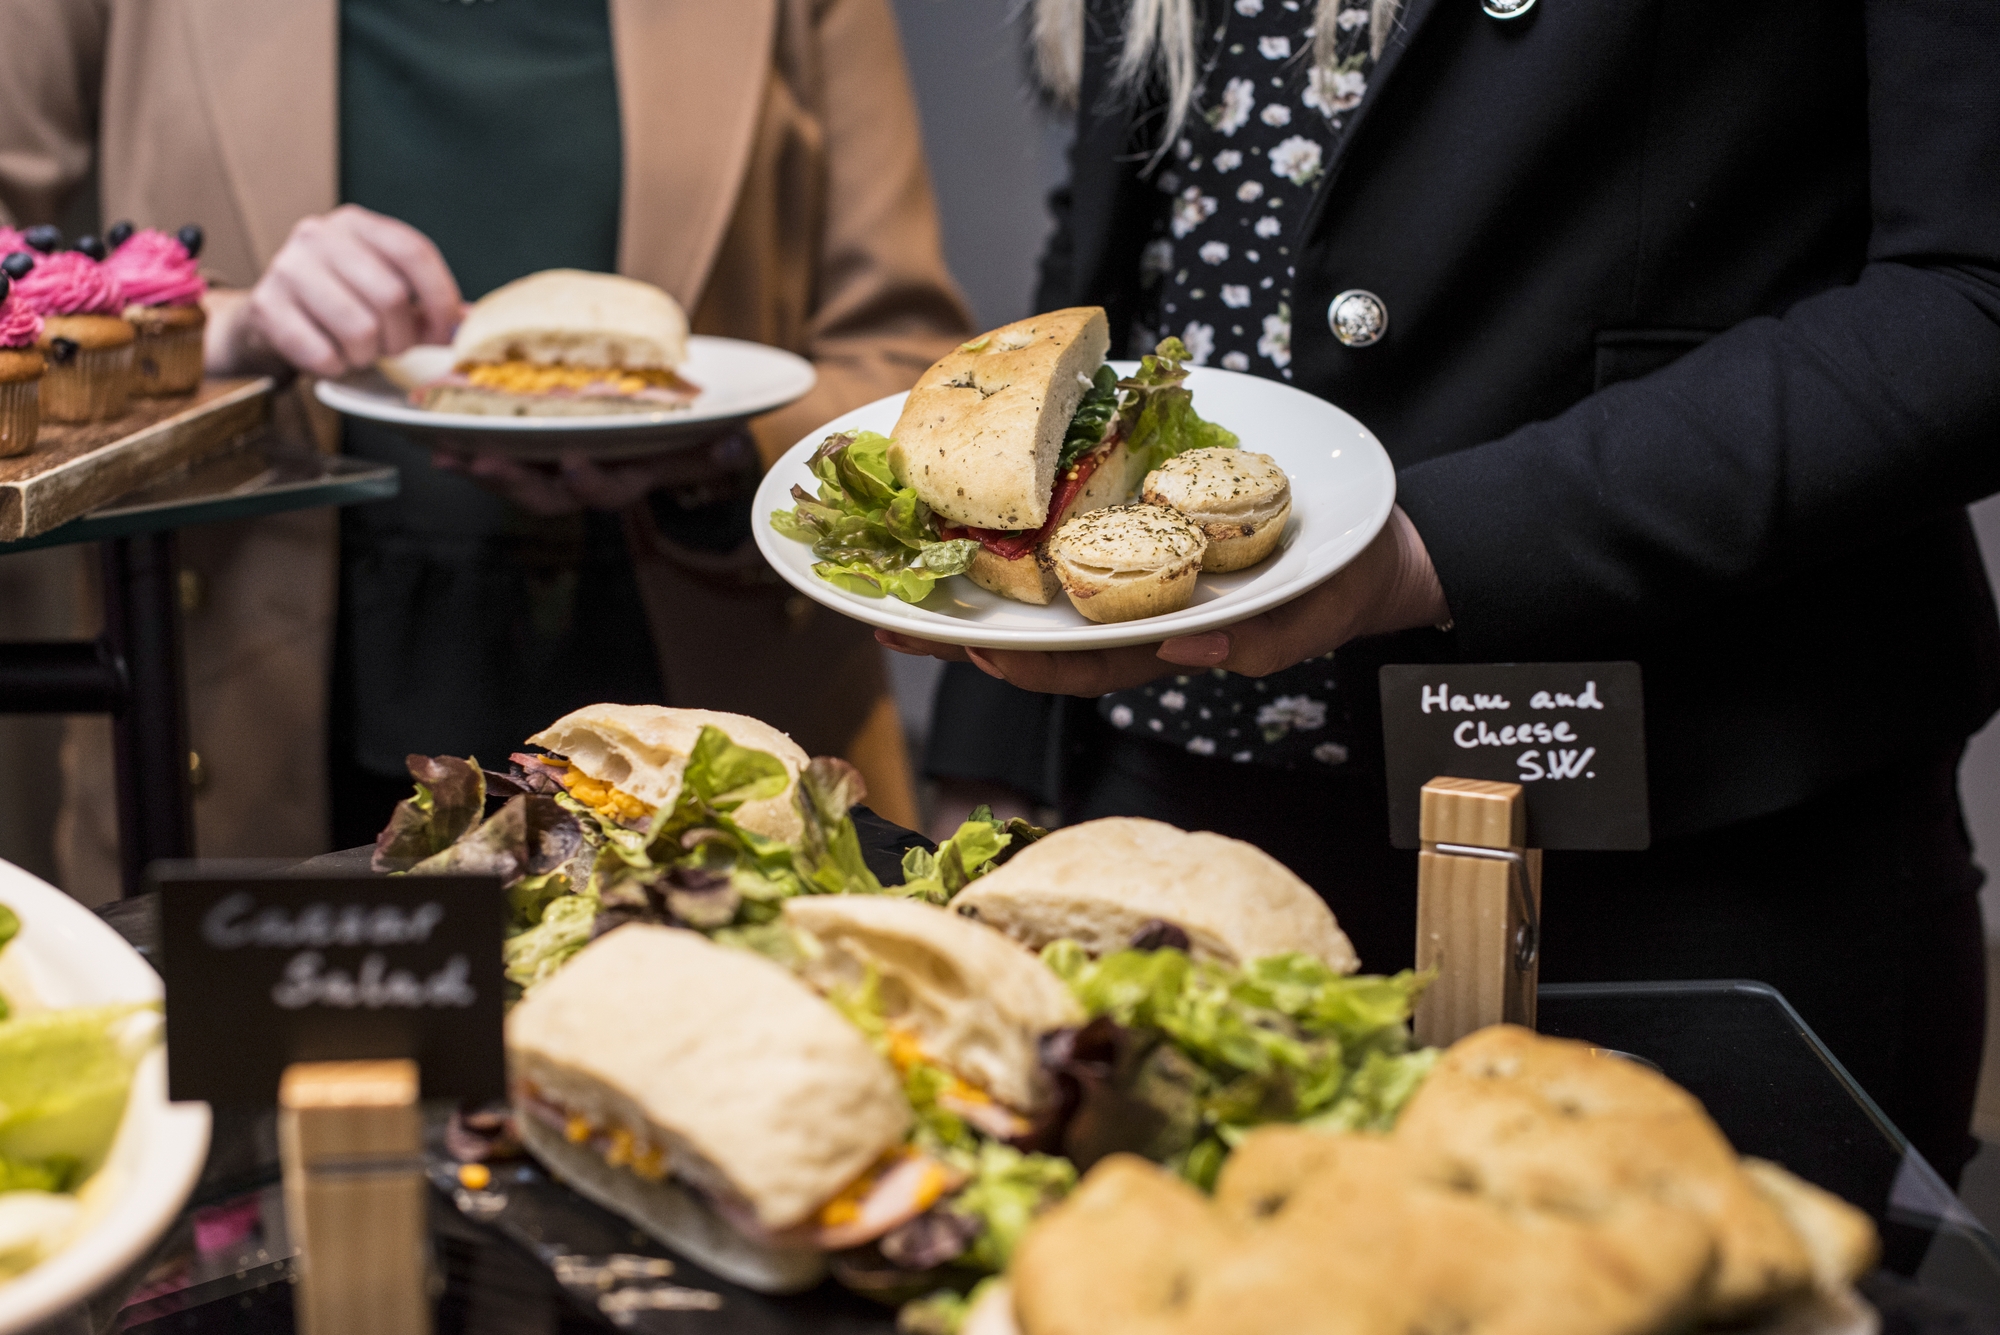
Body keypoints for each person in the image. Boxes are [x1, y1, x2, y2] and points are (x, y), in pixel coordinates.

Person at [901, 0, 2000, 1185]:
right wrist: (1001, 731)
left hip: (1685, 840)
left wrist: (1439, 547)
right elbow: (1135, 233)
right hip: (1174, 814)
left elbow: (1969, 298)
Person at [0, 0, 971, 891]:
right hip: (250, 707)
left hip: (713, 718)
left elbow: (908, 370)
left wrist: (725, 456)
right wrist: (223, 324)